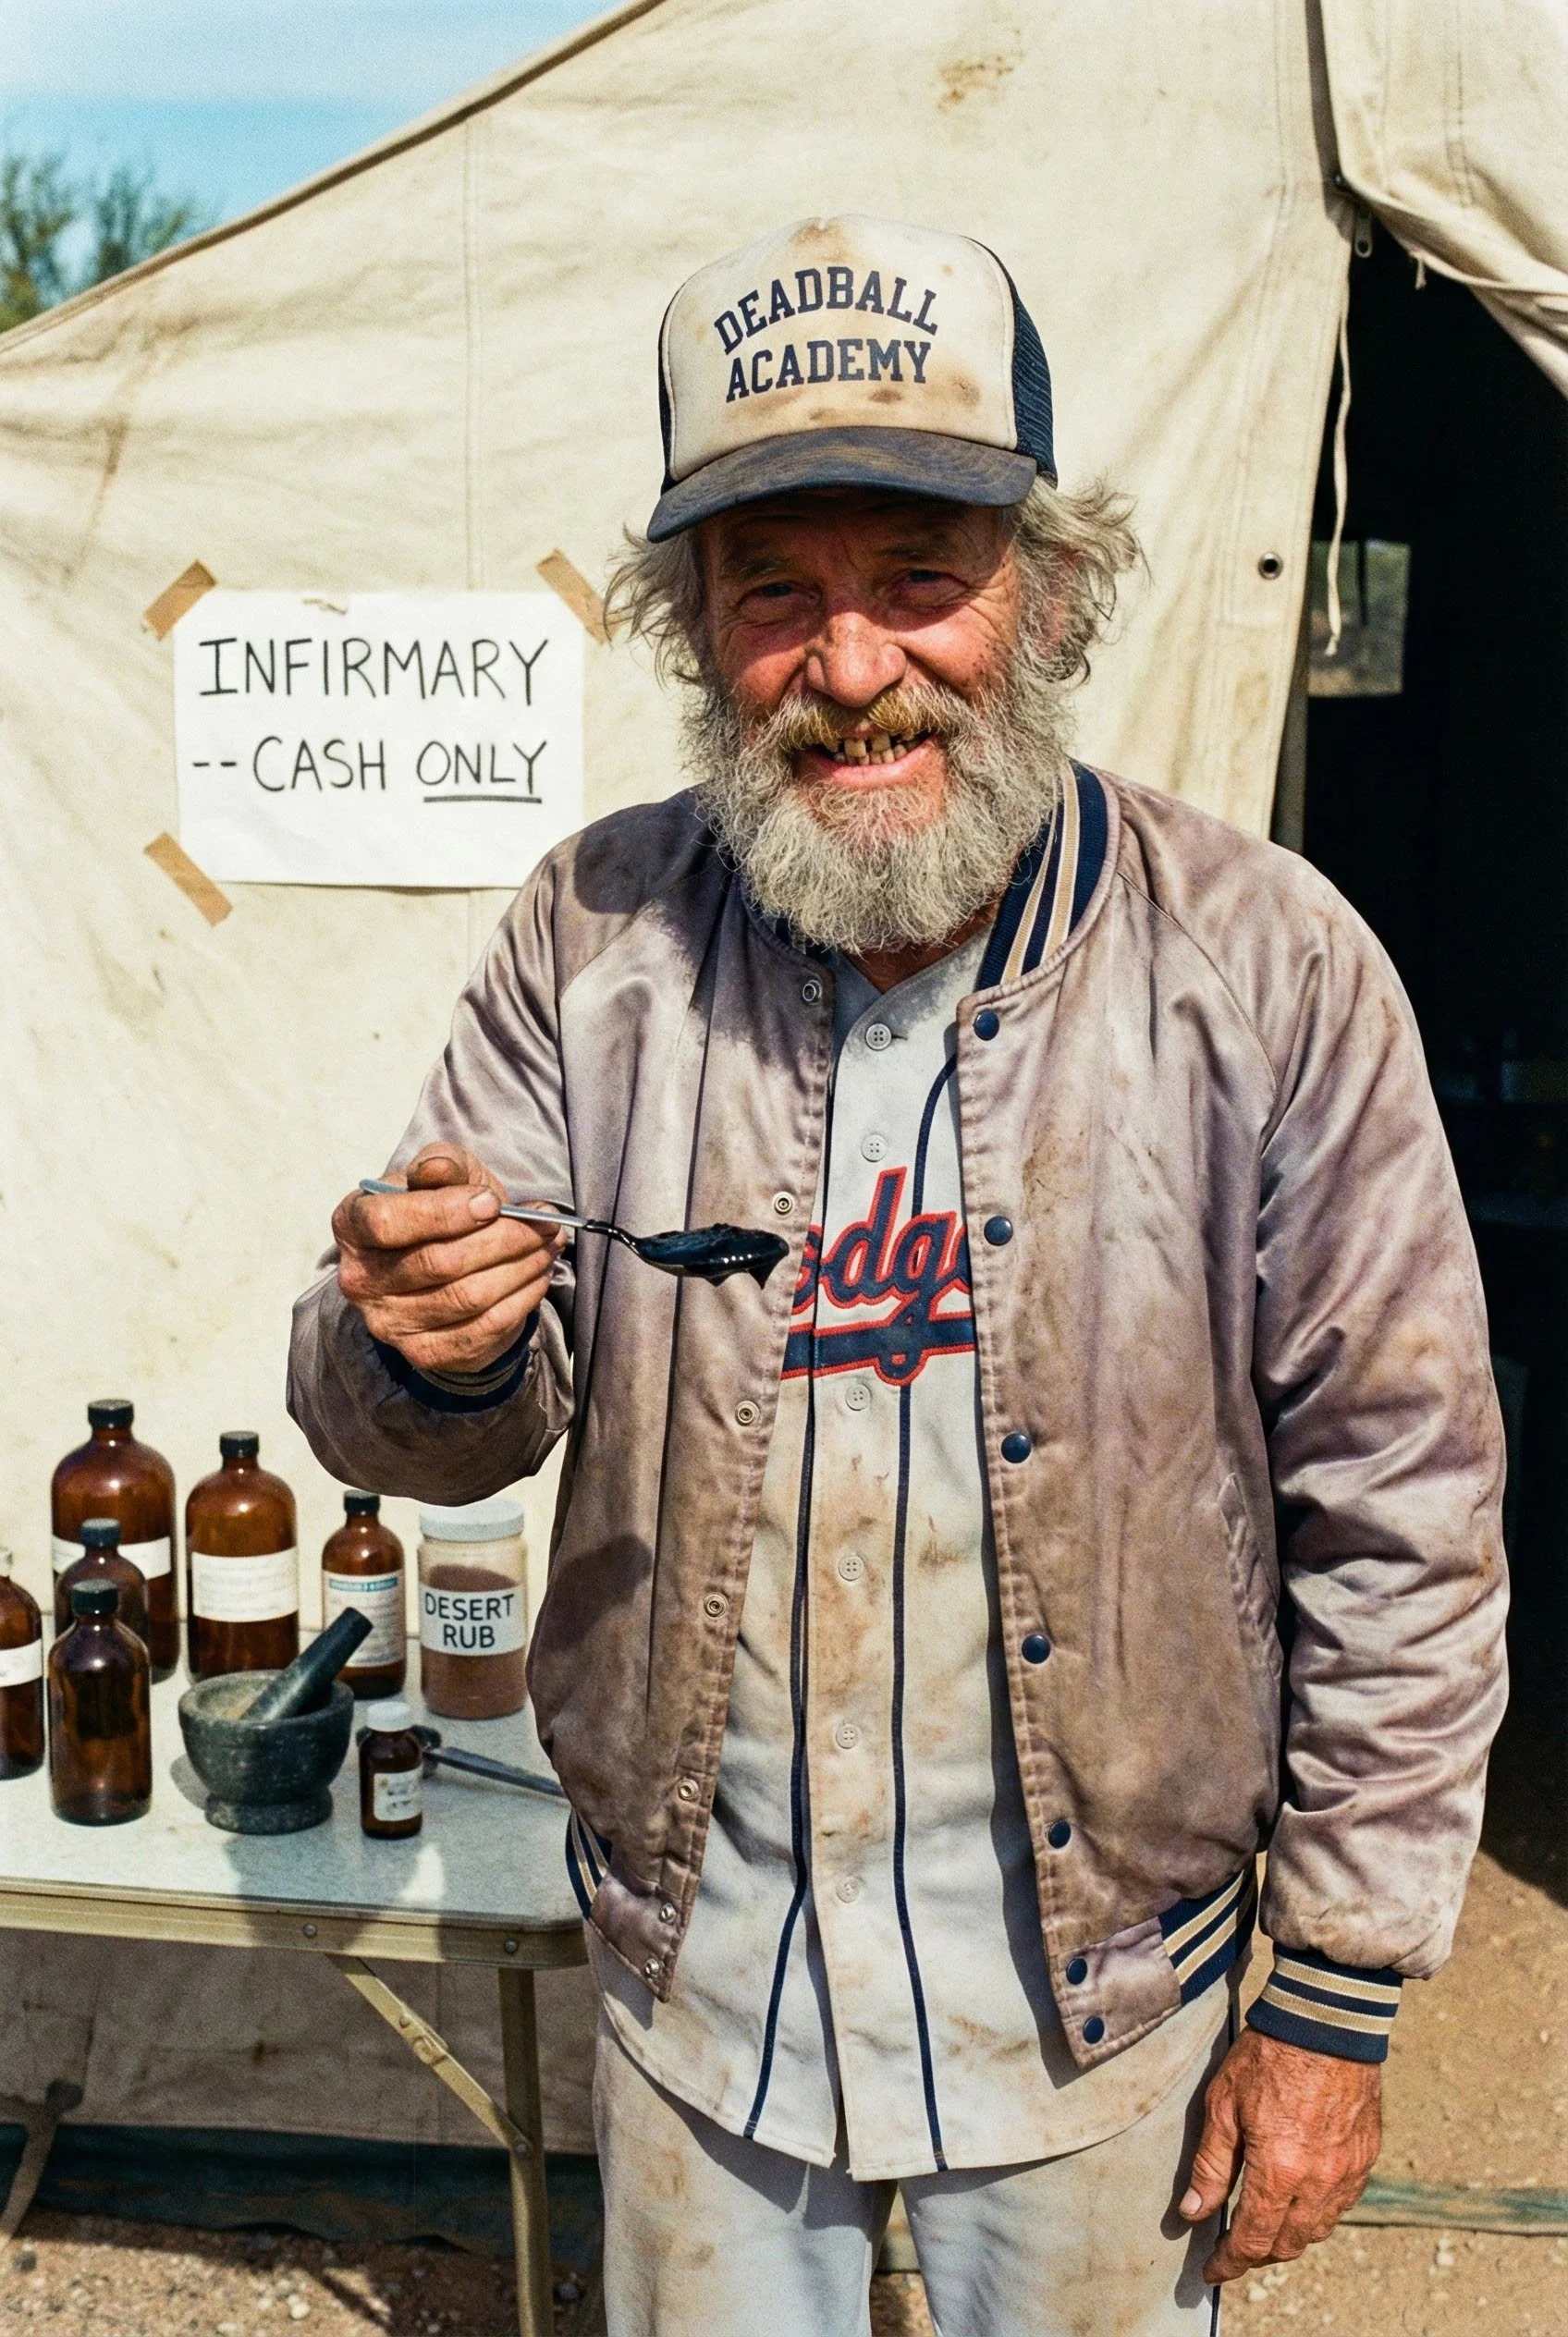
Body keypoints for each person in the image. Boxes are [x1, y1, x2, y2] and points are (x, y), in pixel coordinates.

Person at [288, 214, 1507, 2336]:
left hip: (1098, 2000)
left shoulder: (1265, 963)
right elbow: (413, 1400)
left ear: (1043, 587)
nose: (851, 671)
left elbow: (1403, 1507)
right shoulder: (596, 942)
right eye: (774, 593)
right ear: (695, 627)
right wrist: (416, 1338)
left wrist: (1326, 2000)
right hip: (706, 1986)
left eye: (917, 581)